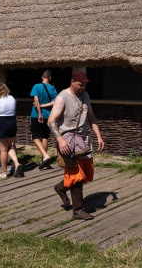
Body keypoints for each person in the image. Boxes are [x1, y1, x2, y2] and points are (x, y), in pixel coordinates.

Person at [48, 71, 104, 220]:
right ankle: (78, 210)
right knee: (76, 175)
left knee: (85, 172)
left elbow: (91, 117)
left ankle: (60, 187)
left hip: (83, 139)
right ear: (72, 81)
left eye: (85, 85)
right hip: (67, 139)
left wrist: (98, 136)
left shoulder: (85, 96)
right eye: (80, 84)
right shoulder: (62, 97)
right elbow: (51, 120)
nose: (82, 87)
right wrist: (60, 139)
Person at [0, 82, 22, 179]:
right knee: (10, 146)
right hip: (11, 122)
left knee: (3, 149)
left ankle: (4, 172)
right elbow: (14, 112)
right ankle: (16, 163)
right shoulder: (12, 98)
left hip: (0, 123)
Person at [30, 70, 58, 169]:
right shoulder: (53, 89)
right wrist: (44, 105)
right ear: (50, 78)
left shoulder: (36, 86)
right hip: (49, 115)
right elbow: (54, 102)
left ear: (42, 77)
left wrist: (39, 112)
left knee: (35, 137)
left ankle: (45, 156)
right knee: (45, 137)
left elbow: (36, 101)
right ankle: (43, 159)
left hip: (36, 114)